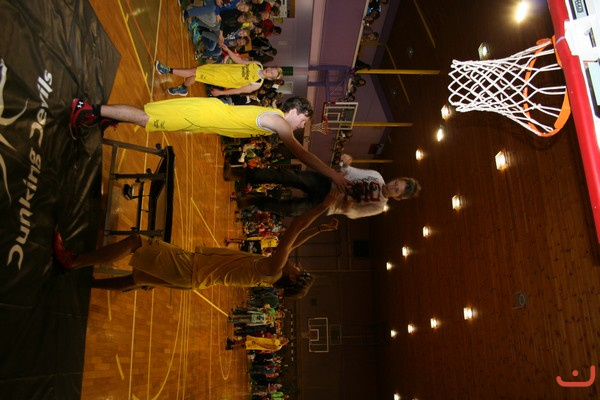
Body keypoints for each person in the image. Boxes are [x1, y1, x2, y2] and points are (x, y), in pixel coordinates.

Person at [53, 190, 339, 295]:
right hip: (193, 279)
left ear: (293, 278)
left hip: (192, 269)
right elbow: (295, 240)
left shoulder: (274, 268)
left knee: (136, 242)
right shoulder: (271, 272)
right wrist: (319, 230)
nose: (298, 266)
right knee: (136, 279)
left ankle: (73, 261)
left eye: (300, 271)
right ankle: (88, 284)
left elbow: (293, 230)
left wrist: (325, 205)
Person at [68, 96, 350, 191]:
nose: (300, 126)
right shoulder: (280, 121)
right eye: (303, 120)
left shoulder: (274, 116)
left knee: (149, 119)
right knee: (147, 119)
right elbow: (300, 153)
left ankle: (104, 116)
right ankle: (88, 109)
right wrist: (332, 174)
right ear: (296, 111)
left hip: (205, 116)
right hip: (202, 114)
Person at [227, 153, 421, 218]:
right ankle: (241, 174)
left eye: (396, 190)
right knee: (288, 176)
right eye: (396, 182)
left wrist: (348, 204)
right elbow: (349, 172)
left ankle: (253, 200)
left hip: (329, 205)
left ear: (398, 198)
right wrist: (345, 162)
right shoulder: (376, 176)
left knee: (291, 209)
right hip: (327, 184)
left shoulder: (379, 206)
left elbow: (353, 214)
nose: (392, 186)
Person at [155, 46, 282, 96]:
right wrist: (227, 49)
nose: (270, 70)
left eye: (272, 73)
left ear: (270, 78)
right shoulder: (258, 64)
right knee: (196, 74)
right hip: (220, 68)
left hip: (220, 78)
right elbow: (239, 61)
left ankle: (166, 70)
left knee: (194, 71)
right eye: (272, 69)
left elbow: (239, 90)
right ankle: (183, 88)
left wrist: (221, 92)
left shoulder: (256, 84)